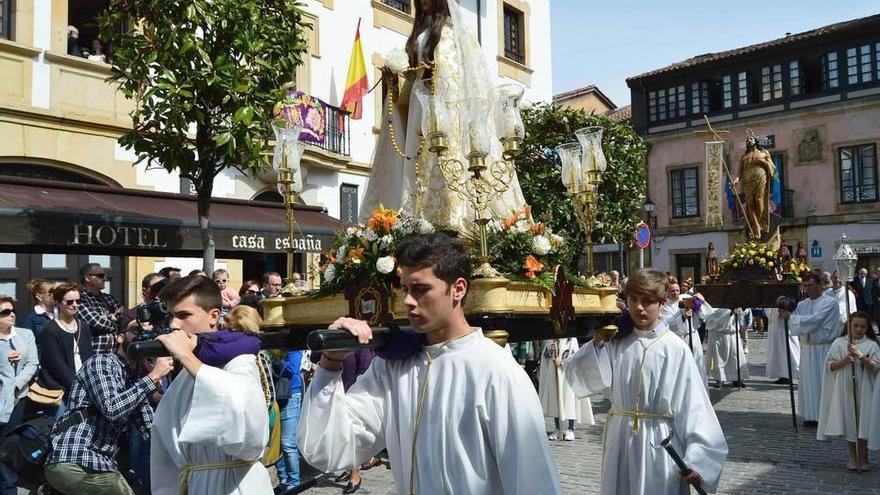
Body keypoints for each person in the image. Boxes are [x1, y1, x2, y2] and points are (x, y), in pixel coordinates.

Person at [298, 233, 563, 493]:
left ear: (458, 289)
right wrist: (330, 363)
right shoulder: (392, 367)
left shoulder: (496, 372)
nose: (408, 301)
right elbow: (328, 450)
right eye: (405, 289)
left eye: (421, 289)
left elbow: (533, 479)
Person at [359, 0, 526, 228]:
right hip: (419, 107)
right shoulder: (420, 31)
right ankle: (413, 220)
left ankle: (448, 218)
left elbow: (460, 76)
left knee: (443, 163)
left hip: (444, 111)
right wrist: (397, 77)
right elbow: (408, 89)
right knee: (415, 164)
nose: (422, 1)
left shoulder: (455, 31)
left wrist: (435, 71)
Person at [564, 269, 728, 495]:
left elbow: (695, 406)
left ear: (662, 303)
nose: (639, 308)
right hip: (620, 438)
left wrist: (699, 460)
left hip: (659, 444)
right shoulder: (617, 342)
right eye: (633, 300)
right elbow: (580, 375)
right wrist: (598, 342)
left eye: (647, 301)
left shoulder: (675, 348)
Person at [150, 275, 271, 494]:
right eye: (171, 316)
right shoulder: (186, 374)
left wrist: (187, 357)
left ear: (214, 316)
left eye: (183, 315)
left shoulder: (240, 360)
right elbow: (165, 453)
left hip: (236, 485)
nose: (173, 325)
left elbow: (249, 425)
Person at [44, 321, 174, 495]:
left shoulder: (135, 379)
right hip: (77, 458)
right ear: (120, 337)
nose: (142, 336)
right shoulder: (101, 362)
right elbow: (111, 408)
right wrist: (153, 377)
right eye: (136, 330)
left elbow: (150, 428)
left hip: (100, 463)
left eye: (149, 334)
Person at [816, 312, 878, 472]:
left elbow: (876, 365)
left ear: (867, 328)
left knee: (863, 421)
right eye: (855, 326)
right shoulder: (839, 343)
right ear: (849, 326)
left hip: (865, 388)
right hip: (846, 388)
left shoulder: (872, 345)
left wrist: (860, 356)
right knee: (851, 421)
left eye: (862, 326)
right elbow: (829, 365)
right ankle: (852, 456)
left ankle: (864, 458)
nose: (859, 329)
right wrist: (844, 360)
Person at [779, 272, 840, 428]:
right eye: (805, 286)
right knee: (808, 383)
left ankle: (825, 416)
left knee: (821, 382)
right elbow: (795, 325)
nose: (807, 289)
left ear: (820, 285)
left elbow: (815, 320)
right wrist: (788, 314)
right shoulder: (803, 304)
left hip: (823, 349)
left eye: (810, 285)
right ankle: (811, 415)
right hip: (807, 348)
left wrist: (791, 317)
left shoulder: (830, 302)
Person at [37, 283, 94, 419]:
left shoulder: (83, 326)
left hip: (84, 389)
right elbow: (57, 366)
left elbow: (89, 358)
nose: (74, 305)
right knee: (60, 430)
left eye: (78, 301)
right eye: (69, 302)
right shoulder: (50, 329)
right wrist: (77, 387)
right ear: (58, 302)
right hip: (61, 391)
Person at [538, 338, 593, 441]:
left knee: (569, 400)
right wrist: (550, 351)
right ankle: (557, 428)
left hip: (567, 375)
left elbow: (576, 358)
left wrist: (562, 362)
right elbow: (545, 356)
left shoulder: (572, 341)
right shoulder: (551, 340)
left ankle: (570, 429)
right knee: (556, 399)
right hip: (554, 375)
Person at [659, 279, 708, 389]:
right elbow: (668, 324)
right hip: (678, 339)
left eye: (677, 290)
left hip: (693, 336)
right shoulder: (664, 306)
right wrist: (683, 317)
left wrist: (700, 303)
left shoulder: (685, 298)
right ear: (666, 292)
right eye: (672, 291)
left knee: (697, 366)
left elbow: (703, 315)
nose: (676, 293)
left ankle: (699, 391)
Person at [0, 297, 39, 431]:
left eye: (13, 310)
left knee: (11, 437)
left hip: (19, 396)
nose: (12, 314)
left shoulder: (26, 334)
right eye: (5, 312)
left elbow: (32, 363)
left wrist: (16, 384)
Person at [733, 131, 776, 239]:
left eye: (750, 139)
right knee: (750, 203)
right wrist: (736, 180)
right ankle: (756, 226)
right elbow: (740, 172)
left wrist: (762, 162)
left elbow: (772, 167)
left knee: (758, 200)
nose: (748, 141)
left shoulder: (764, 153)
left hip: (760, 177)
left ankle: (760, 223)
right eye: (747, 140)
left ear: (755, 141)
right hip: (747, 181)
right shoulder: (744, 157)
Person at [78, 263, 123, 353]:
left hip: (114, 354)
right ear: (87, 278)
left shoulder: (110, 299)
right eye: (101, 276)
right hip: (93, 353)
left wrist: (105, 317)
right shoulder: (80, 298)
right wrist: (112, 318)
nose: (105, 278)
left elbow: (123, 319)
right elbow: (96, 322)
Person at [702, 305, 750, 388]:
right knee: (718, 358)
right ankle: (719, 379)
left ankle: (737, 378)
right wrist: (729, 312)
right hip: (718, 333)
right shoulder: (712, 301)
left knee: (735, 357)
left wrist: (741, 308)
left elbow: (745, 311)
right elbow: (712, 315)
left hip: (732, 333)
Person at [764, 307, 800, 385]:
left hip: (785, 320)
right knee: (778, 350)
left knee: (789, 348)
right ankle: (783, 374)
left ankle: (794, 372)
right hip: (775, 322)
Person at [17, 278, 57, 346]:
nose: (55, 294)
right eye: (51, 291)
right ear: (39, 296)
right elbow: (24, 345)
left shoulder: (61, 314)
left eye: (56, 291)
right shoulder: (28, 319)